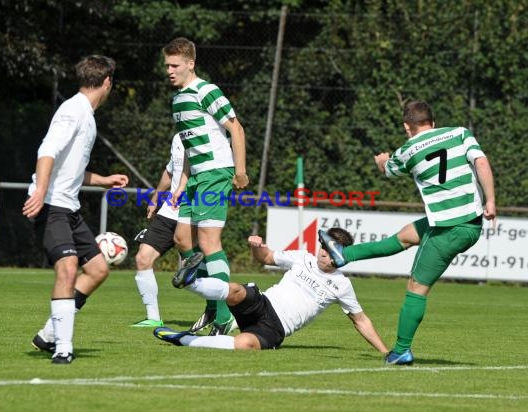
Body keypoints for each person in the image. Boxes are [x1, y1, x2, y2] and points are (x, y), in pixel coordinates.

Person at [324, 100, 496, 365]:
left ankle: (402, 349)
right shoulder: (460, 133)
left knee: (416, 287)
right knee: (404, 236)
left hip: (448, 228)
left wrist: (382, 161)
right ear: (432, 121)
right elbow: (482, 163)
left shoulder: (408, 149)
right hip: (469, 221)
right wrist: (491, 201)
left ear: (407, 126)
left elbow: (389, 171)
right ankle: (343, 254)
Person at [22, 55, 129, 364]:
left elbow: (72, 170)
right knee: (68, 268)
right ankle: (63, 347)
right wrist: (41, 191)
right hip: (52, 207)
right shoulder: (73, 111)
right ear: (107, 82)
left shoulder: (86, 114)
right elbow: (47, 152)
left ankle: (48, 334)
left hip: (69, 209)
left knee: (97, 270)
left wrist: (103, 180)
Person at [153, 228, 389, 353]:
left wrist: (385, 351)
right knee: (236, 291)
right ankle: (191, 281)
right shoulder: (302, 258)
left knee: (243, 345)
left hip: (275, 328)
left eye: (329, 250)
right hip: (263, 303)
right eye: (322, 247)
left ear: (342, 256)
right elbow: (265, 257)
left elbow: (361, 321)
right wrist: (257, 247)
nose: (322, 253)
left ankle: (184, 340)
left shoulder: (342, 285)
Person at [163, 37, 249, 335]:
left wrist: (240, 171)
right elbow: (188, 147)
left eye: (175, 65)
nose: (169, 71)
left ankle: (225, 316)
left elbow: (235, 127)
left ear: (190, 63)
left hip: (216, 172)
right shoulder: (177, 99)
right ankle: (214, 306)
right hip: (196, 177)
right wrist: (179, 185)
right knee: (182, 239)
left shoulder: (206, 91)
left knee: (210, 244)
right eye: (167, 66)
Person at [131, 133, 183, 328]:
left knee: (194, 270)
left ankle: (226, 311)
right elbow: (170, 172)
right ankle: (153, 317)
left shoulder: (208, 136)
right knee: (143, 257)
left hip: (193, 212)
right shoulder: (177, 137)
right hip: (169, 210)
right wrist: (155, 199)